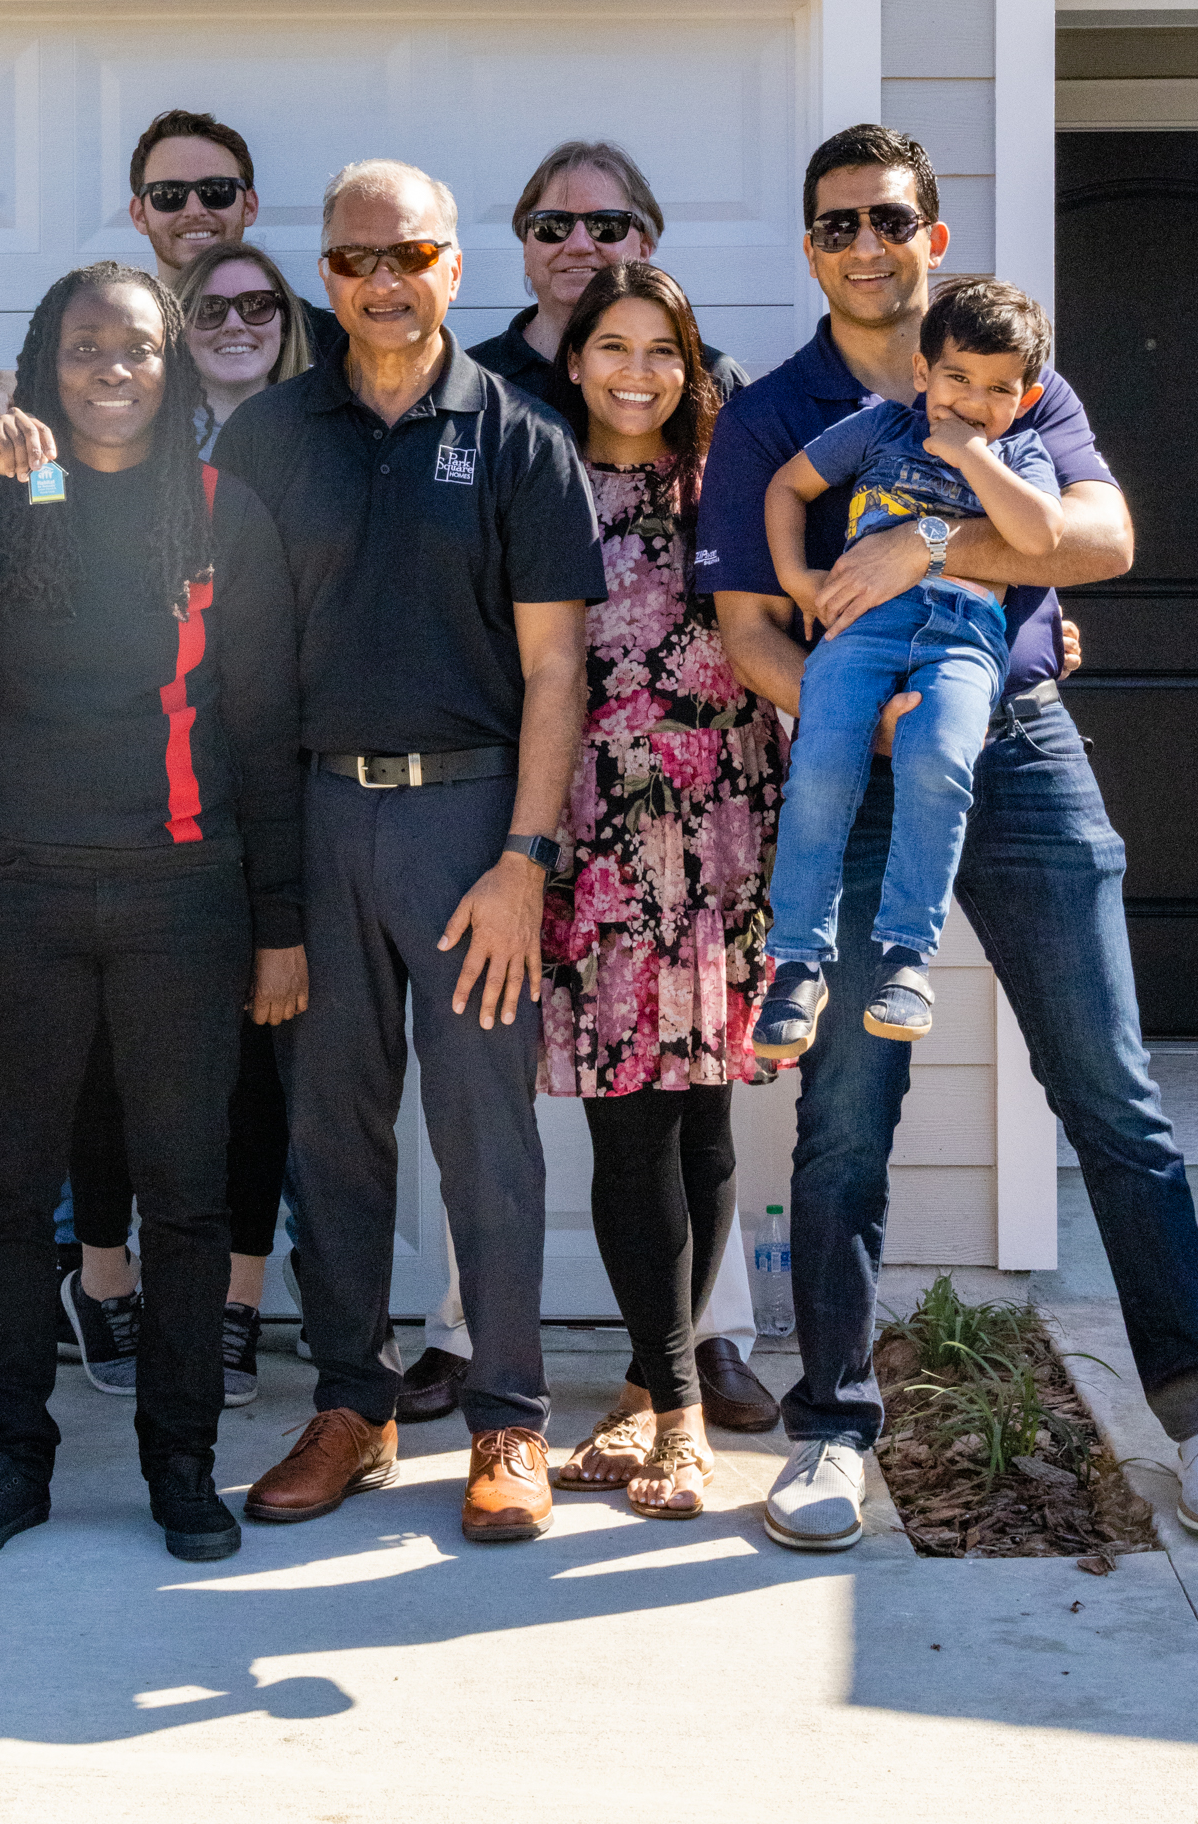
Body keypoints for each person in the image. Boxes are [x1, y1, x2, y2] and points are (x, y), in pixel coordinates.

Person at [699, 123, 1198, 1549]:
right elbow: (750, 633)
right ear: (810, 247)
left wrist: (932, 547)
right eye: (835, 224)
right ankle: (832, 1430)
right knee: (839, 1116)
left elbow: (1099, 543)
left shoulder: (1020, 380)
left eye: (887, 217)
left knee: (1112, 1097)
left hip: (1018, 753)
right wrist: (872, 712)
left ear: (930, 236)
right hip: (859, 768)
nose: (864, 243)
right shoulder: (779, 414)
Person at [0, 261, 303, 1563]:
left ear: (172, 370)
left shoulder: (223, 513)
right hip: (19, 893)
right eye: (87, 349)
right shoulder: (4, 503)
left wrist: (276, 923)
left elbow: (264, 735)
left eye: (139, 349)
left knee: (182, 1197)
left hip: (181, 897)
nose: (115, 369)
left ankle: (179, 1464)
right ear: (47, 365)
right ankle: (6, 1459)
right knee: (6, 1195)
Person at [220, 158, 606, 1544]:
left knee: (482, 1131)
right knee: (328, 1131)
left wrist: (523, 858)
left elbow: (557, 670)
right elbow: (242, 683)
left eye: (411, 255)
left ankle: (506, 1420)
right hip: (317, 816)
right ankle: (352, 1407)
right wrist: (266, 893)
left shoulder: (516, 436)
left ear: (456, 267)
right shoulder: (265, 441)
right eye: (351, 260)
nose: (381, 283)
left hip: (468, 821)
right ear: (320, 273)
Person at [534, 262, 787, 1518]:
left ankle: (649, 1392)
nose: (637, 371)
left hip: (723, 829)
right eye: (612, 346)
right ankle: (681, 1411)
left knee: (702, 1122)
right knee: (626, 1125)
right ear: (573, 356)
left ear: (691, 368)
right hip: (596, 840)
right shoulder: (535, 481)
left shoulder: (727, 479)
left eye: (663, 351)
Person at [754, 279, 1063, 1052]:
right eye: (957, 377)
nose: (971, 399)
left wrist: (971, 454)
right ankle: (796, 965)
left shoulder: (1022, 452)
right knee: (821, 769)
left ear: (1023, 399)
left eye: (998, 388)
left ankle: (905, 960)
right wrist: (798, 578)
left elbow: (1041, 537)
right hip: (860, 629)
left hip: (964, 636)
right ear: (923, 374)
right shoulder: (878, 428)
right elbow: (788, 485)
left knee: (940, 762)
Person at [469, 140, 747, 408]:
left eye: (606, 224)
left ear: (644, 249)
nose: (578, 245)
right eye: (553, 225)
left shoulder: (712, 379)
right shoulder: (471, 383)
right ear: (526, 251)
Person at [127, 107, 342, 355]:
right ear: (139, 214)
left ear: (249, 206)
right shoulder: (114, 342)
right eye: (168, 194)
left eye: (217, 190)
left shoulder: (330, 344)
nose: (194, 210)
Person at [177, 240, 313, 456]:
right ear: (180, 330)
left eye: (256, 305)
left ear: (284, 324)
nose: (233, 325)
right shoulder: (149, 437)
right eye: (208, 309)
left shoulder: (330, 429)